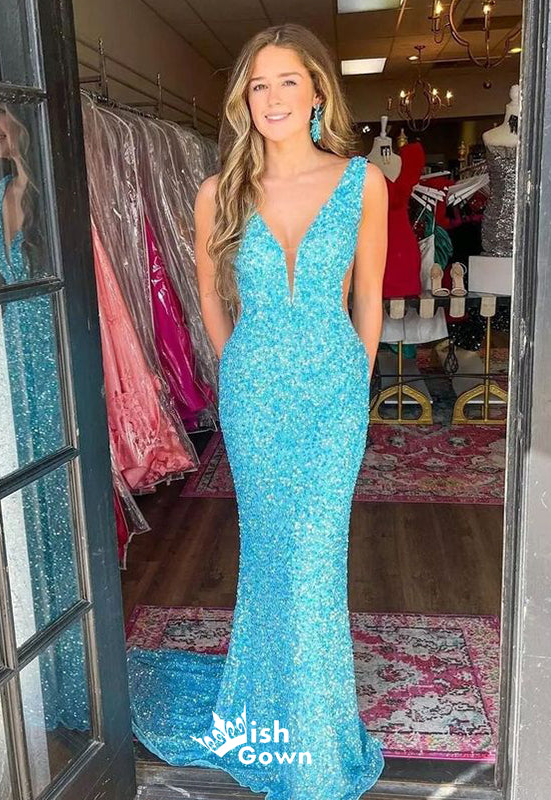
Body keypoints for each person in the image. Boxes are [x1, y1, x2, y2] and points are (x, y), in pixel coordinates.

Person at [127, 22, 388, 799]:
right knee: (274, 559)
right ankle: (281, 724)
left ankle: (310, 736)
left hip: (333, 395)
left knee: (316, 561)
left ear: (317, 92)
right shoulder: (220, 192)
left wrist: (355, 383)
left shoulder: (362, 183)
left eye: (287, 81)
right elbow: (209, 295)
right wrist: (235, 366)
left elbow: (369, 297)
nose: (272, 98)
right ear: (245, 101)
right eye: (257, 85)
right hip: (256, 398)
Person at [0, 99, 90, 735]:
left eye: (0, 115)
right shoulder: (1, 193)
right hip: (14, 348)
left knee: (52, 477)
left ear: (22, 119)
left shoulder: (45, 191)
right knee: (27, 482)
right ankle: (41, 632)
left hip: (43, 345)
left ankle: (68, 636)